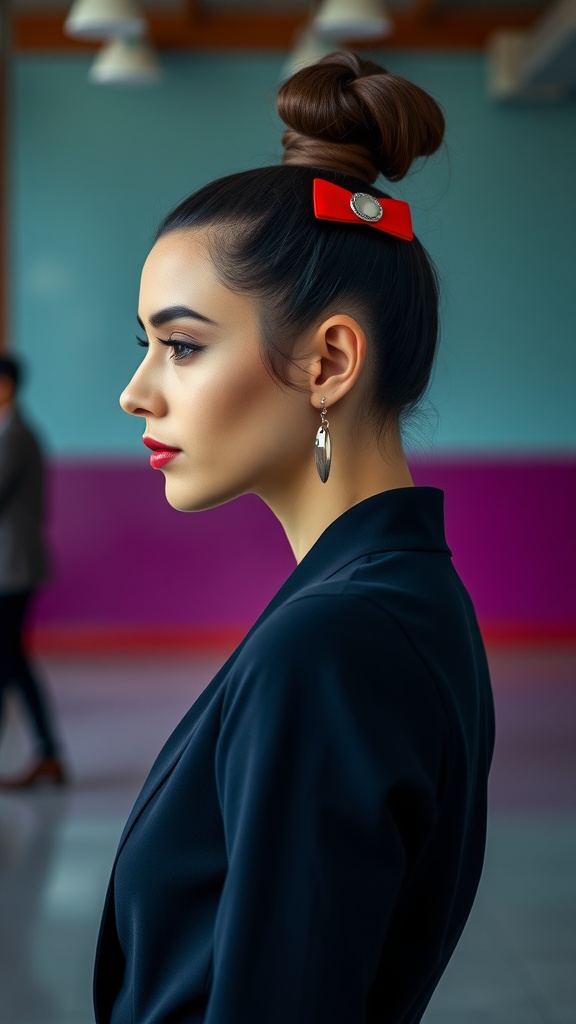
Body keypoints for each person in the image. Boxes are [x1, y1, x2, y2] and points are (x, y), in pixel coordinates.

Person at [93, 52, 495, 1024]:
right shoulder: (397, 598)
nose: (136, 390)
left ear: (328, 359)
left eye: (181, 345)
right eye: (144, 344)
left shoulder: (337, 644)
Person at [0, 354, 66, 787]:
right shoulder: (11, 432)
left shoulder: (15, 436)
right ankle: (48, 754)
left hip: (13, 566)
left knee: (11, 659)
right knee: (9, 659)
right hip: (11, 564)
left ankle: (49, 755)